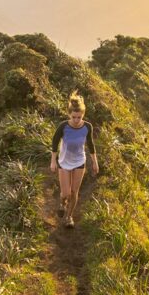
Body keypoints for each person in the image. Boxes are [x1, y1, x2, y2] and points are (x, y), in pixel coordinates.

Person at [49, 90, 99, 228]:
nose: (77, 120)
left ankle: (69, 217)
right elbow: (54, 142)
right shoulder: (63, 126)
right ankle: (62, 202)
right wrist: (53, 161)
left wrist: (95, 162)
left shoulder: (87, 127)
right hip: (64, 162)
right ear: (69, 115)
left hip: (79, 162)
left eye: (79, 117)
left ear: (83, 115)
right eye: (74, 117)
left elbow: (90, 144)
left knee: (74, 192)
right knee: (65, 193)